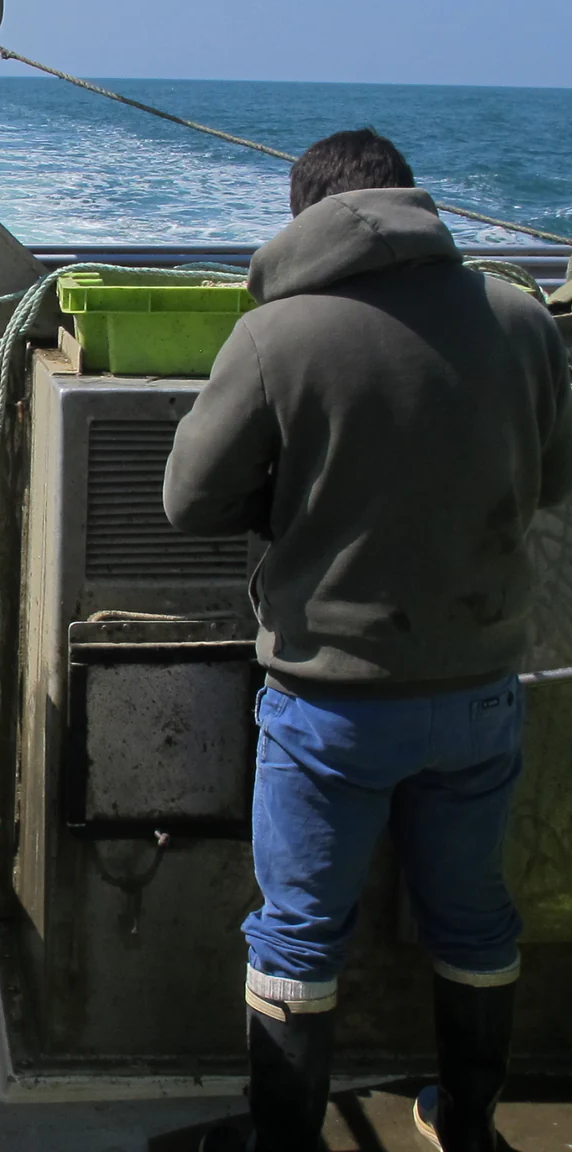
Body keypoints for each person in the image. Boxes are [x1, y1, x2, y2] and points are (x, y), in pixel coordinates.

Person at [163, 127, 572, 1152]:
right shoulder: (523, 319)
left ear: (307, 218)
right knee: (475, 917)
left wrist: (293, 505)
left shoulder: (277, 336)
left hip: (332, 705)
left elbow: (188, 499)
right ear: (412, 201)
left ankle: (284, 1139)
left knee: (299, 932)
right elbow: (555, 478)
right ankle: (468, 1123)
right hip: (481, 692)